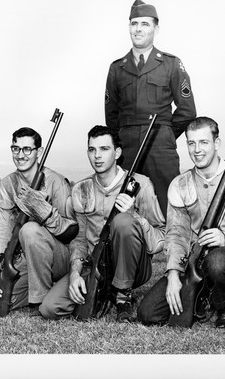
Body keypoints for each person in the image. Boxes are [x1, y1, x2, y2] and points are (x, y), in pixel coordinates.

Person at [137, 116, 225, 328]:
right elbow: (176, 234)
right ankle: (204, 292)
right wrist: (173, 274)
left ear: (216, 144)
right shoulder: (180, 184)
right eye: (191, 143)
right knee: (148, 313)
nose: (197, 150)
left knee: (218, 263)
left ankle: (224, 302)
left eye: (203, 142)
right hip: (192, 260)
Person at [39, 125, 165, 322]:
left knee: (123, 221)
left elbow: (161, 239)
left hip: (134, 267)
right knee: (50, 308)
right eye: (92, 149)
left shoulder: (142, 185)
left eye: (104, 149)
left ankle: (122, 294)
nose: (97, 156)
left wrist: (135, 216)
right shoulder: (81, 189)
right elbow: (79, 239)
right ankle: (104, 292)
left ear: (117, 153)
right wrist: (75, 274)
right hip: (96, 265)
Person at [105, 0, 197, 217]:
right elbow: (111, 115)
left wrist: (164, 133)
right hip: (127, 148)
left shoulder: (171, 64)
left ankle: (171, 251)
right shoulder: (117, 68)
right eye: (134, 23)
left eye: (145, 24)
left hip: (160, 147)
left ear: (156, 28)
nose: (138, 29)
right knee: (125, 209)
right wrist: (123, 139)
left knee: (168, 206)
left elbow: (187, 111)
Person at [0, 127, 77, 316]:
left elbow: (72, 231)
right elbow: (0, 230)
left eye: (27, 149)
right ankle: (41, 289)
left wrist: (47, 215)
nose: (20, 155)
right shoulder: (7, 184)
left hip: (60, 257)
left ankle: (40, 299)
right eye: (16, 149)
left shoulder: (55, 182)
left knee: (30, 230)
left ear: (39, 152)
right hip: (25, 258)